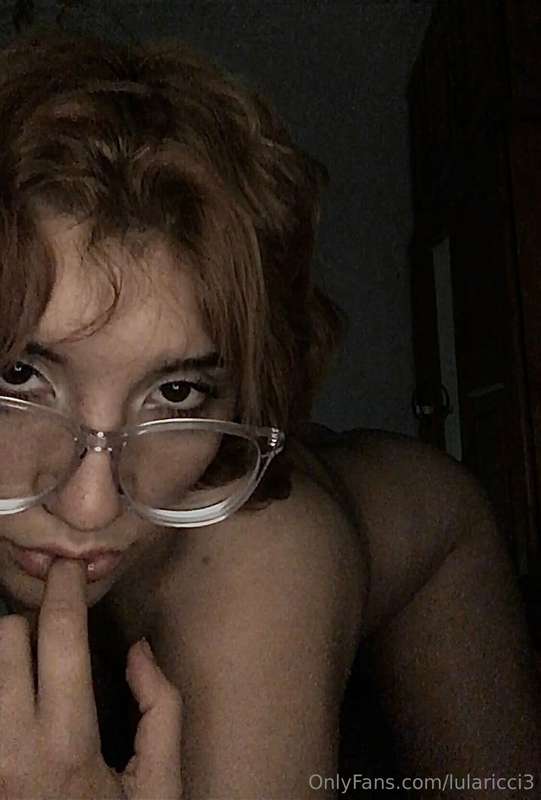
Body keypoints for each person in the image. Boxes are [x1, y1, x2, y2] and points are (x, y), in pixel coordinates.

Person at [0, 27, 539, 800]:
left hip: (425, 549)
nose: (90, 505)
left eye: (177, 394)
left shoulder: (259, 574)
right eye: (20, 375)